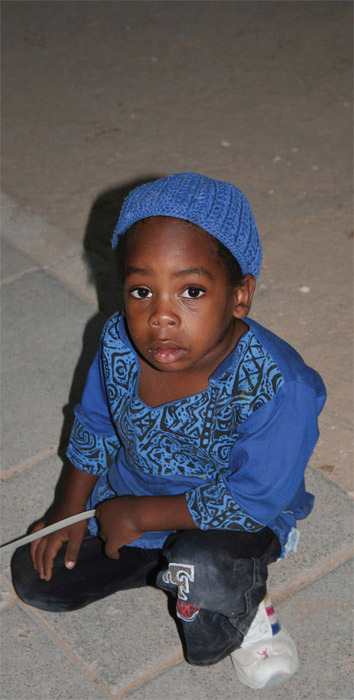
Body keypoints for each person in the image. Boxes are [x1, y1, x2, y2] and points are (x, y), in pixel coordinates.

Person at [11, 173, 326, 690]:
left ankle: (241, 602)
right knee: (38, 579)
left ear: (240, 295)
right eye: (141, 290)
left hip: (229, 519)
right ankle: (159, 563)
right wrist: (68, 509)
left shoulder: (278, 386)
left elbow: (253, 500)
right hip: (131, 497)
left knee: (206, 572)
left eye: (192, 291)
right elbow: (96, 423)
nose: (161, 316)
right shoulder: (118, 341)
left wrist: (138, 514)